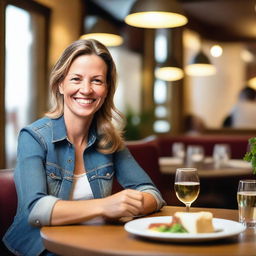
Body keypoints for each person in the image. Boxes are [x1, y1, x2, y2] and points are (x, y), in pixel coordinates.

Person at [3, 39, 165, 256]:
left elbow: (153, 194)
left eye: (97, 81)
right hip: (42, 249)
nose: (86, 90)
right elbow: (36, 210)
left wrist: (130, 204)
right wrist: (105, 206)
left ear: (107, 89)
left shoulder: (109, 140)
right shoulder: (33, 137)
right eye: (76, 79)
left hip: (93, 245)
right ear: (61, 84)